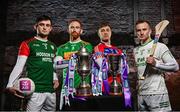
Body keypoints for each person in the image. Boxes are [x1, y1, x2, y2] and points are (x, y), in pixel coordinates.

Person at [6, 15, 59, 111]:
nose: (44, 27)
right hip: (35, 91)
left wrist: (55, 78)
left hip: (51, 91)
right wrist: (10, 85)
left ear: (50, 28)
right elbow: (19, 66)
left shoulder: (53, 46)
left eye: (47, 25)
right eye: (42, 25)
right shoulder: (27, 44)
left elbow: (51, 66)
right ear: (36, 27)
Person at [133, 19, 179, 111]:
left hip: (157, 93)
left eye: (144, 29)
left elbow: (175, 67)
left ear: (150, 31)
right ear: (136, 33)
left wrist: (156, 63)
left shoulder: (160, 46)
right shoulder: (136, 50)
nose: (141, 32)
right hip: (141, 95)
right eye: (139, 30)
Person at [54, 19, 93, 110]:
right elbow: (56, 65)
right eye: (72, 27)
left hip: (84, 87)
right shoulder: (61, 48)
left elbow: (85, 61)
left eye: (77, 27)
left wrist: (66, 59)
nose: (74, 29)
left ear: (81, 30)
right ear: (68, 30)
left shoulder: (87, 46)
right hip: (66, 88)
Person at [93, 22, 123, 95]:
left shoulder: (118, 50)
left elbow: (124, 69)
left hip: (118, 87)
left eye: (107, 30)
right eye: (102, 31)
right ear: (99, 34)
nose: (105, 32)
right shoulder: (97, 48)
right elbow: (102, 66)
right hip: (105, 87)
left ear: (110, 33)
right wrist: (117, 67)